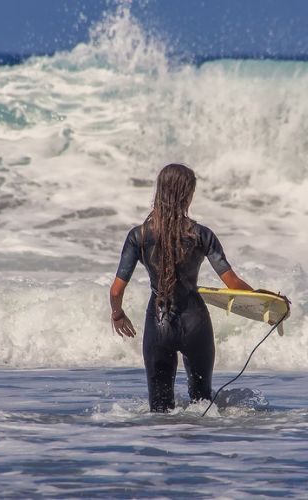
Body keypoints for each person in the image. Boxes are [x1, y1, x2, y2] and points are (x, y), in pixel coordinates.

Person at [109, 163, 257, 413]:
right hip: (196, 323)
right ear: (187, 195)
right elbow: (232, 284)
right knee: (202, 405)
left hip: (158, 323)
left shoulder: (138, 236)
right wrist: (263, 300)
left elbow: (115, 291)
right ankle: (195, 450)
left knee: (159, 409)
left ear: (160, 192)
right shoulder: (201, 234)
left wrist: (118, 314)